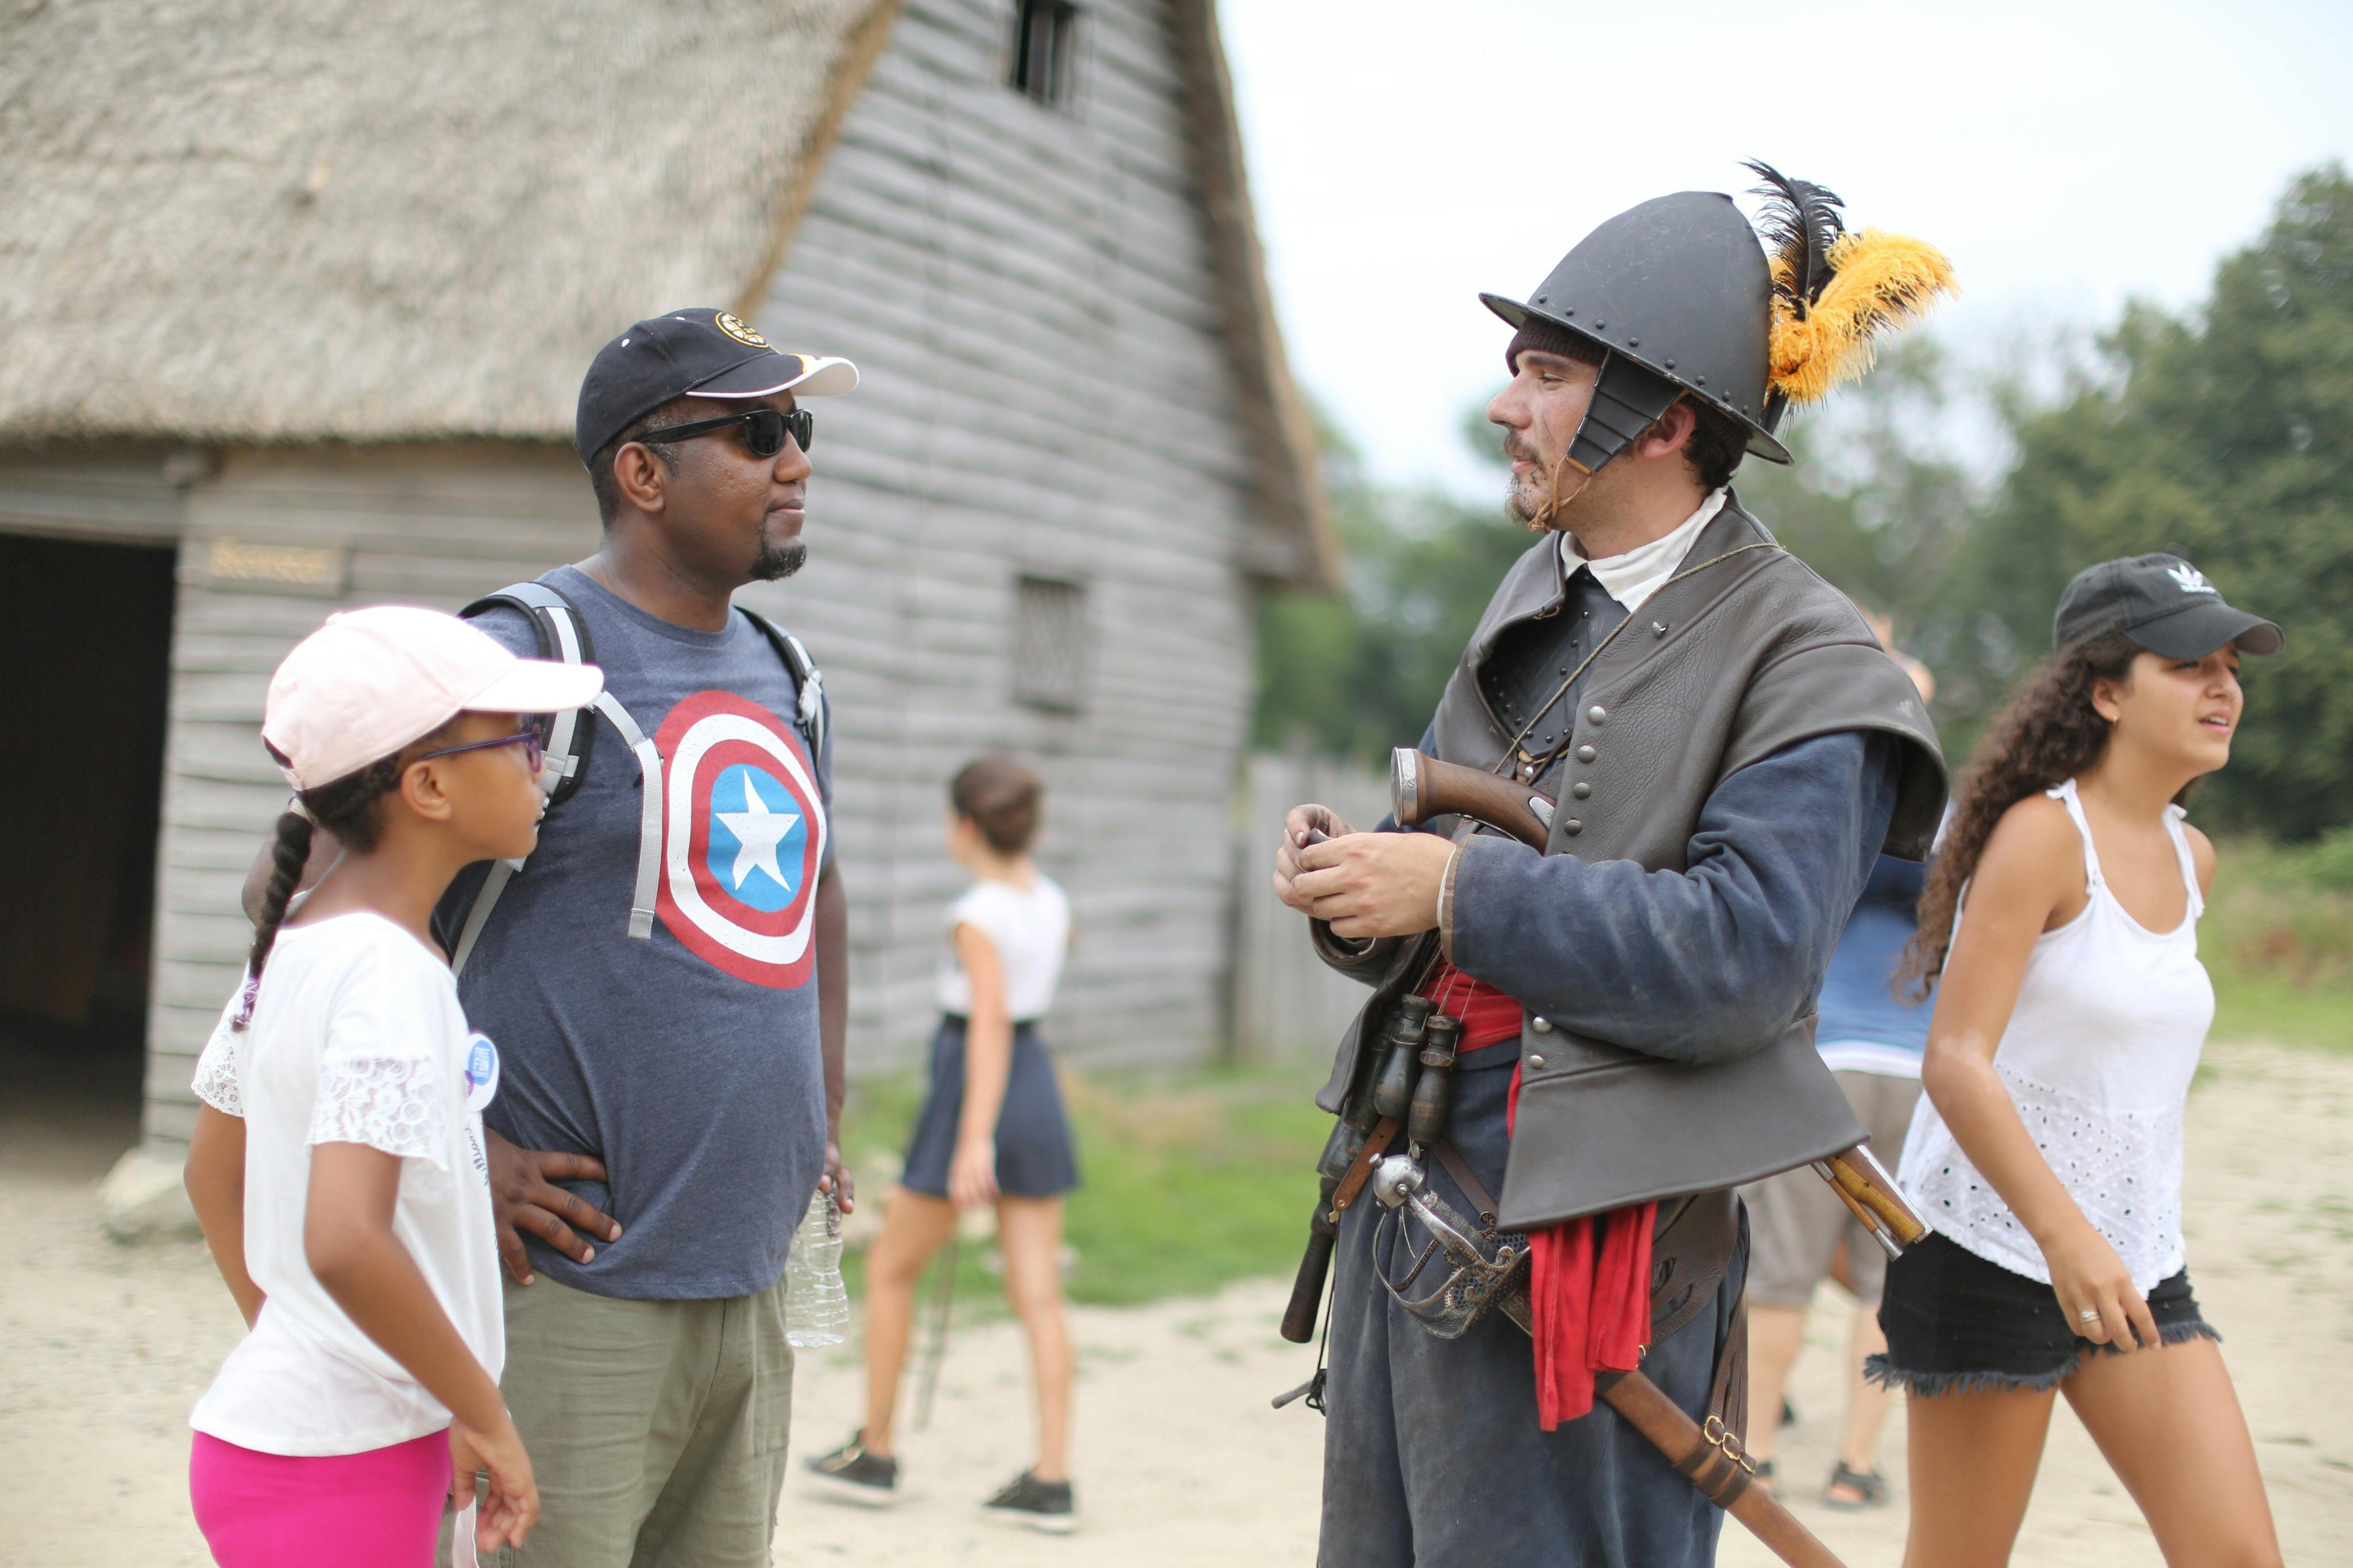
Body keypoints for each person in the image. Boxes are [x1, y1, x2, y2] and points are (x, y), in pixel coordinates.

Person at [1272, 166, 1951, 1566]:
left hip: (1596, 1251)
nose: (1501, 409)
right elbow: (1450, 890)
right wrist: (1367, 895)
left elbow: (1745, 963)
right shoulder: (1534, 595)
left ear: (1666, 417)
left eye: (1543, 373)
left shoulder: (1807, 660)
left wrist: (1453, 893)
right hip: (1418, 1188)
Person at [238, 307, 859, 1568]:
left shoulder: (785, 672)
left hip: (745, 1283)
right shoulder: (527, 654)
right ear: (642, 472)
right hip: (575, 1296)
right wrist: (462, 1151)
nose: (794, 459)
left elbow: (816, 897)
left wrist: (817, 1114)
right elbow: (308, 886)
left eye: (794, 429)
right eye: (755, 432)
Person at [1872, 554, 2286, 1567]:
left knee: (2240, 1556)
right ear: (2105, 690)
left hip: (2137, 1264)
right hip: (1991, 1253)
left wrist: (2099, 1247)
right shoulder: (2040, 836)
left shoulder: (2195, 860)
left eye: (2231, 664)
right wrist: (2064, 1239)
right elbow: (1956, 1059)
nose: (2223, 686)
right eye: (2190, 662)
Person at [186, 605, 604, 1567]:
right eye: (521, 739)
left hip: (290, 1438)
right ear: (426, 786)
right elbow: (343, 1237)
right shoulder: (393, 974)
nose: (541, 763)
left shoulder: (292, 948)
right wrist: (481, 1409)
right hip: (347, 1469)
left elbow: (212, 1177)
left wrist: (332, 1350)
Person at [805, 754, 1080, 1532]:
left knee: (893, 1266)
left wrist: (972, 1140)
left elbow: (988, 1020)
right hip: (1036, 1085)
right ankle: (1053, 1476)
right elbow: (1025, 1010)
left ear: (965, 825)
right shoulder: (1051, 901)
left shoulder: (977, 912)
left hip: (979, 1086)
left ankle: (878, 1449)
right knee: (1039, 1292)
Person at [1739, 611, 1938, 1508]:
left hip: (1821, 1064)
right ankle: (1856, 1466)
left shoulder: (1822, 789)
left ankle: (1751, 1452)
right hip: (1917, 1069)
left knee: (1779, 1267)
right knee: (1881, 1276)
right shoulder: (1954, 815)